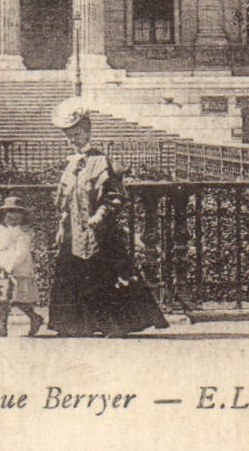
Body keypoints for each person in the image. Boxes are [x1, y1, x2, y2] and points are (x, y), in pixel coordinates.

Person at [47, 98, 169, 338]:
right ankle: (77, 325)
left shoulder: (100, 161)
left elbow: (114, 196)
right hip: (74, 232)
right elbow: (66, 201)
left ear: (88, 131)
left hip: (100, 233)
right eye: (69, 135)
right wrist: (63, 226)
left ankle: (114, 324)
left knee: (103, 275)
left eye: (77, 134)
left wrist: (99, 215)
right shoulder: (71, 166)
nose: (73, 140)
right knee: (72, 275)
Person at [0, 196, 46, 337]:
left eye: (18, 214)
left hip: (17, 267)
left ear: (23, 217)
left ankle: (34, 318)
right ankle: (2, 325)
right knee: (1, 296)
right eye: (9, 213)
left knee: (18, 298)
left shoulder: (24, 232)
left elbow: (22, 252)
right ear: (3, 214)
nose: (13, 217)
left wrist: (10, 266)